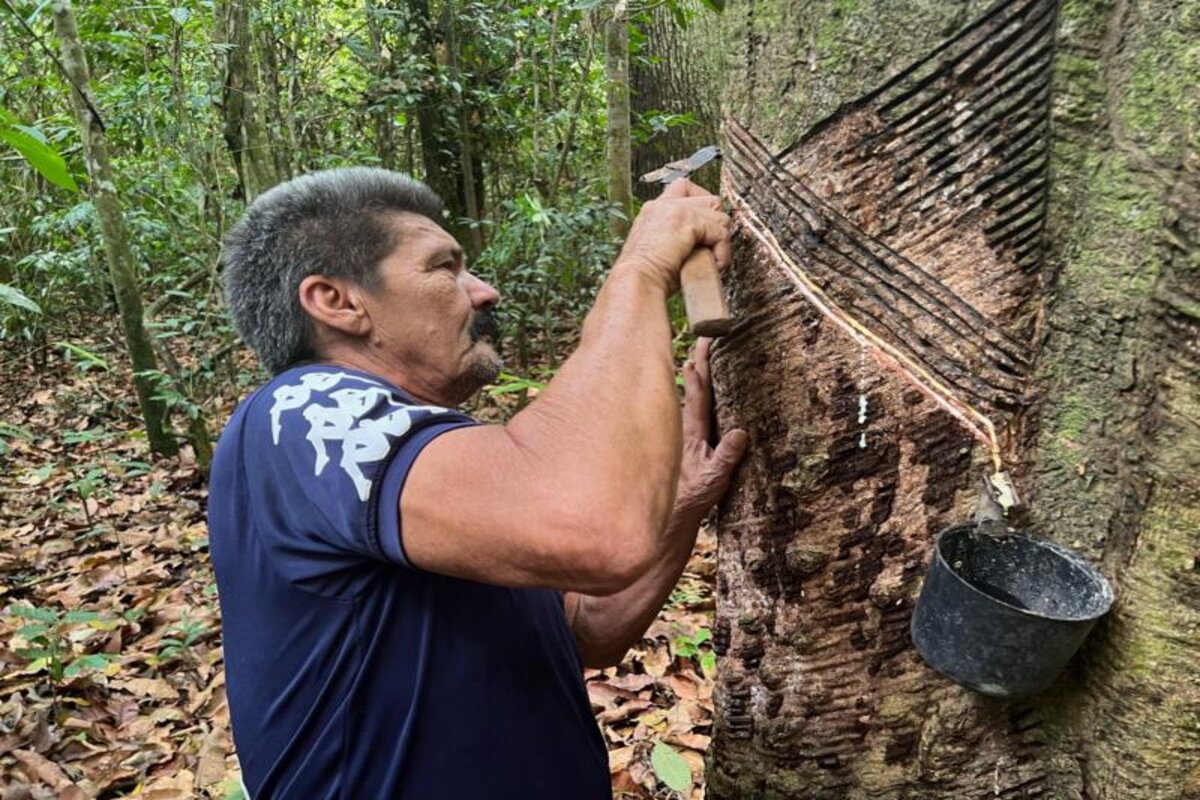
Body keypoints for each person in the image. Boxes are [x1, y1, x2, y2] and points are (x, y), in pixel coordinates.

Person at [207, 167, 748, 799]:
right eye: (444, 268)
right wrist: (641, 271)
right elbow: (596, 532)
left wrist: (680, 500)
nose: (483, 291)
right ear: (339, 302)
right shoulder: (305, 411)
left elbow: (584, 630)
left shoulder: (421, 459)